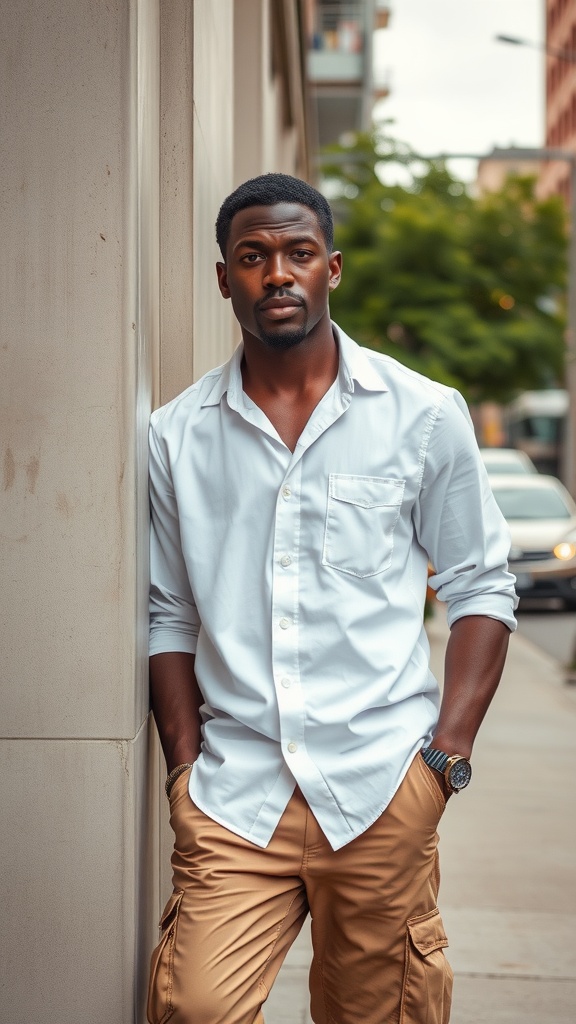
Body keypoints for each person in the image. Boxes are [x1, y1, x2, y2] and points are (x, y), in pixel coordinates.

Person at [146, 173, 517, 1024]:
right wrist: (182, 773)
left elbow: (481, 587)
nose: (276, 273)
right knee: (194, 1007)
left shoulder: (422, 414)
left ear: (331, 268)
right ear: (223, 278)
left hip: (383, 784)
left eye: (298, 253)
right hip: (236, 799)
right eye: (252, 257)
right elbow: (169, 614)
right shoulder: (176, 435)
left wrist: (443, 761)